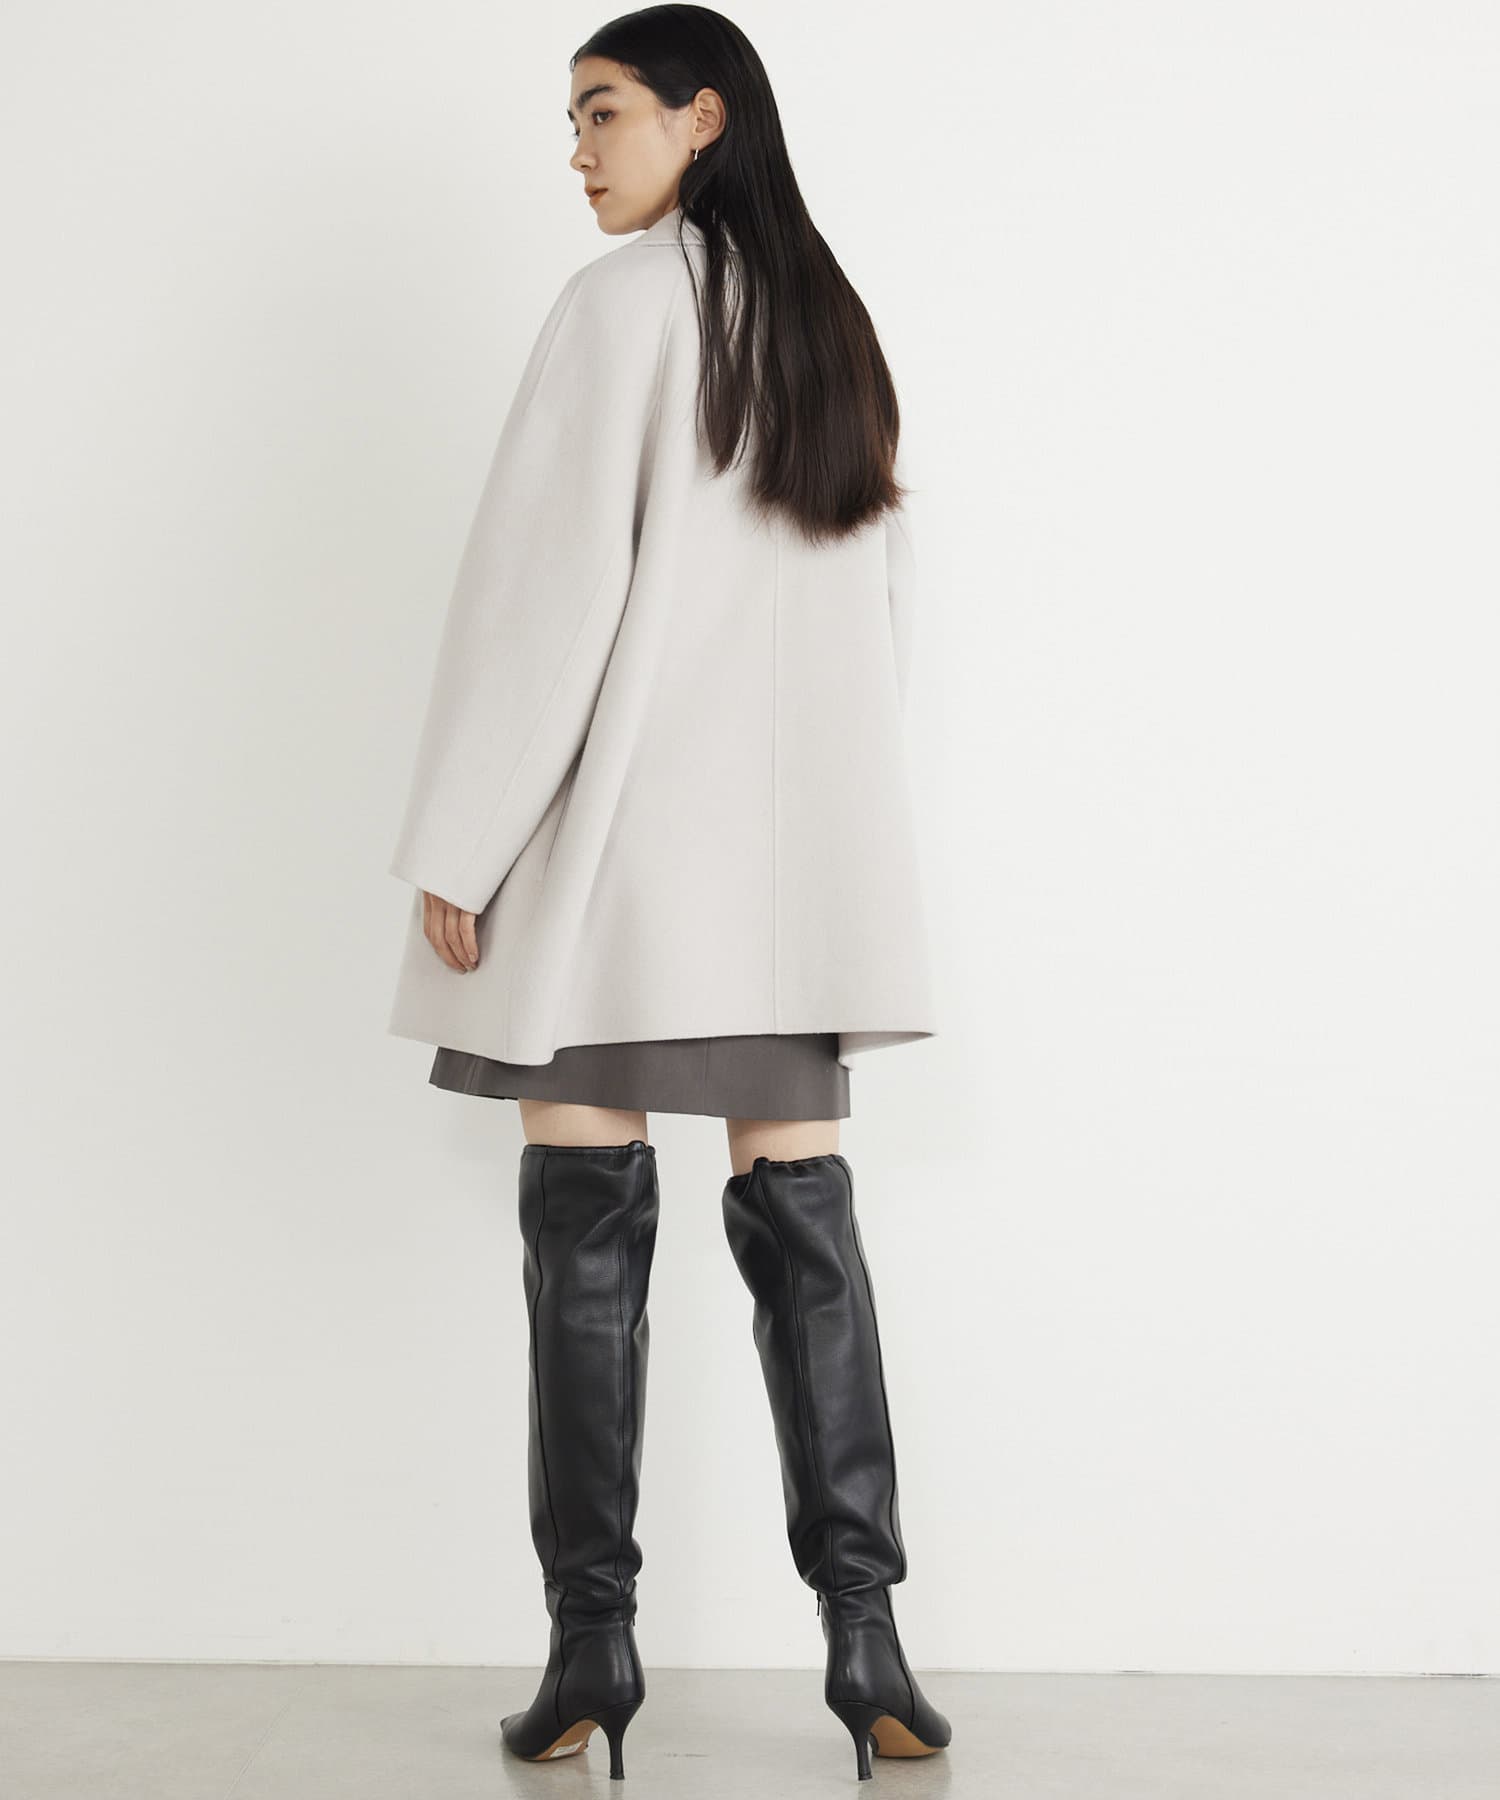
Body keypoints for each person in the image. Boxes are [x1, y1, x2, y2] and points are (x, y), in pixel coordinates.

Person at [385, 5, 950, 1782]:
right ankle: (870, 1643)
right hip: (786, 892)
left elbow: (545, 591)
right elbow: (881, 615)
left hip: (620, 877)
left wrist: (465, 837)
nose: (577, 148)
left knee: (582, 1234)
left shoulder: (619, 308)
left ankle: (588, 1655)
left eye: (605, 111)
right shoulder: (831, 323)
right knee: (809, 1233)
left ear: (704, 121)